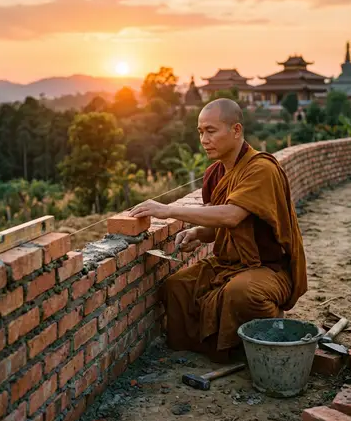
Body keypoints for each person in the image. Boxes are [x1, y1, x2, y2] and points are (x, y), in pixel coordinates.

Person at [128, 98, 307, 362]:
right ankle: (205, 348)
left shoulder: (261, 169)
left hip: (268, 268)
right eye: (200, 132)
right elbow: (220, 224)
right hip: (227, 264)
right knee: (177, 286)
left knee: (241, 294)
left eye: (211, 131)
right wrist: (199, 234)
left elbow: (233, 216)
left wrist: (166, 210)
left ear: (236, 130)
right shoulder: (215, 173)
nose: (204, 139)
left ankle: (257, 336)